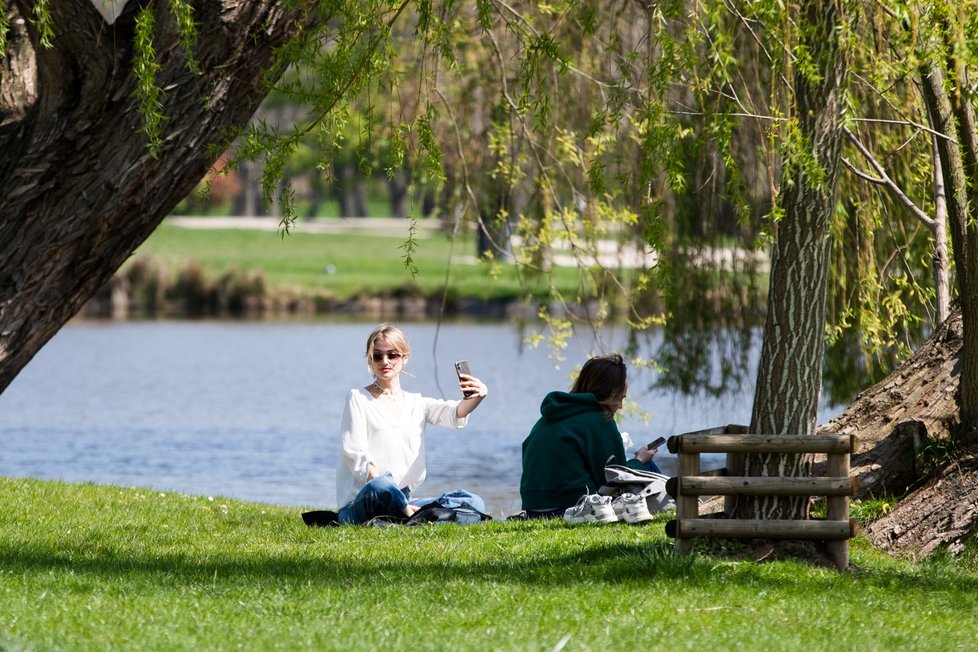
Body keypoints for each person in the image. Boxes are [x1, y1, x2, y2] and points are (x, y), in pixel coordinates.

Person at [335, 324, 488, 525]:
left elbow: (455, 413)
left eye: (392, 355)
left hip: (405, 497)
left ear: (405, 357)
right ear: (370, 360)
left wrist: (479, 395)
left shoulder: (417, 403)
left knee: (473, 502)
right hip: (366, 498)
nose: (385, 361)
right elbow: (359, 458)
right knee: (381, 485)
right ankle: (414, 518)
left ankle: (410, 519)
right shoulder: (357, 398)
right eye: (378, 356)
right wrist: (402, 505)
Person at [519, 353, 657, 519]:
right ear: (607, 393)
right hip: (574, 506)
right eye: (619, 398)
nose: (620, 406)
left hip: (534, 508)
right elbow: (617, 478)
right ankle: (681, 505)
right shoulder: (600, 419)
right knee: (648, 467)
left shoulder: (549, 417)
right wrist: (640, 460)